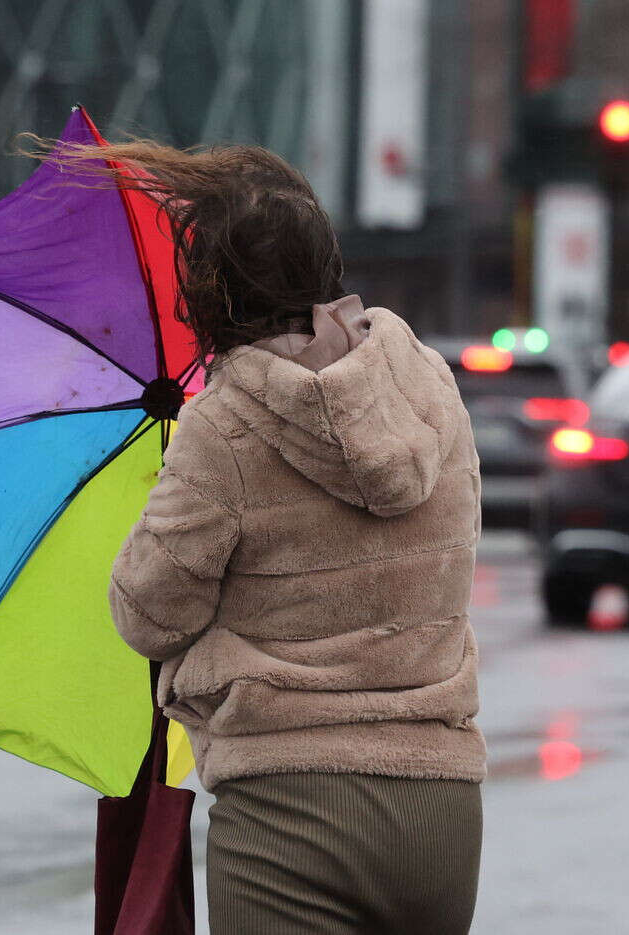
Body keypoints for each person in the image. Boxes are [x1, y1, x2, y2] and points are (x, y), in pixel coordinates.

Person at [91, 142, 485, 933]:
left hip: (289, 812)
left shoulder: (224, 428)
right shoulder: (431, 387)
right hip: (443, 812)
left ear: (212, 293)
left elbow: (148, 614)